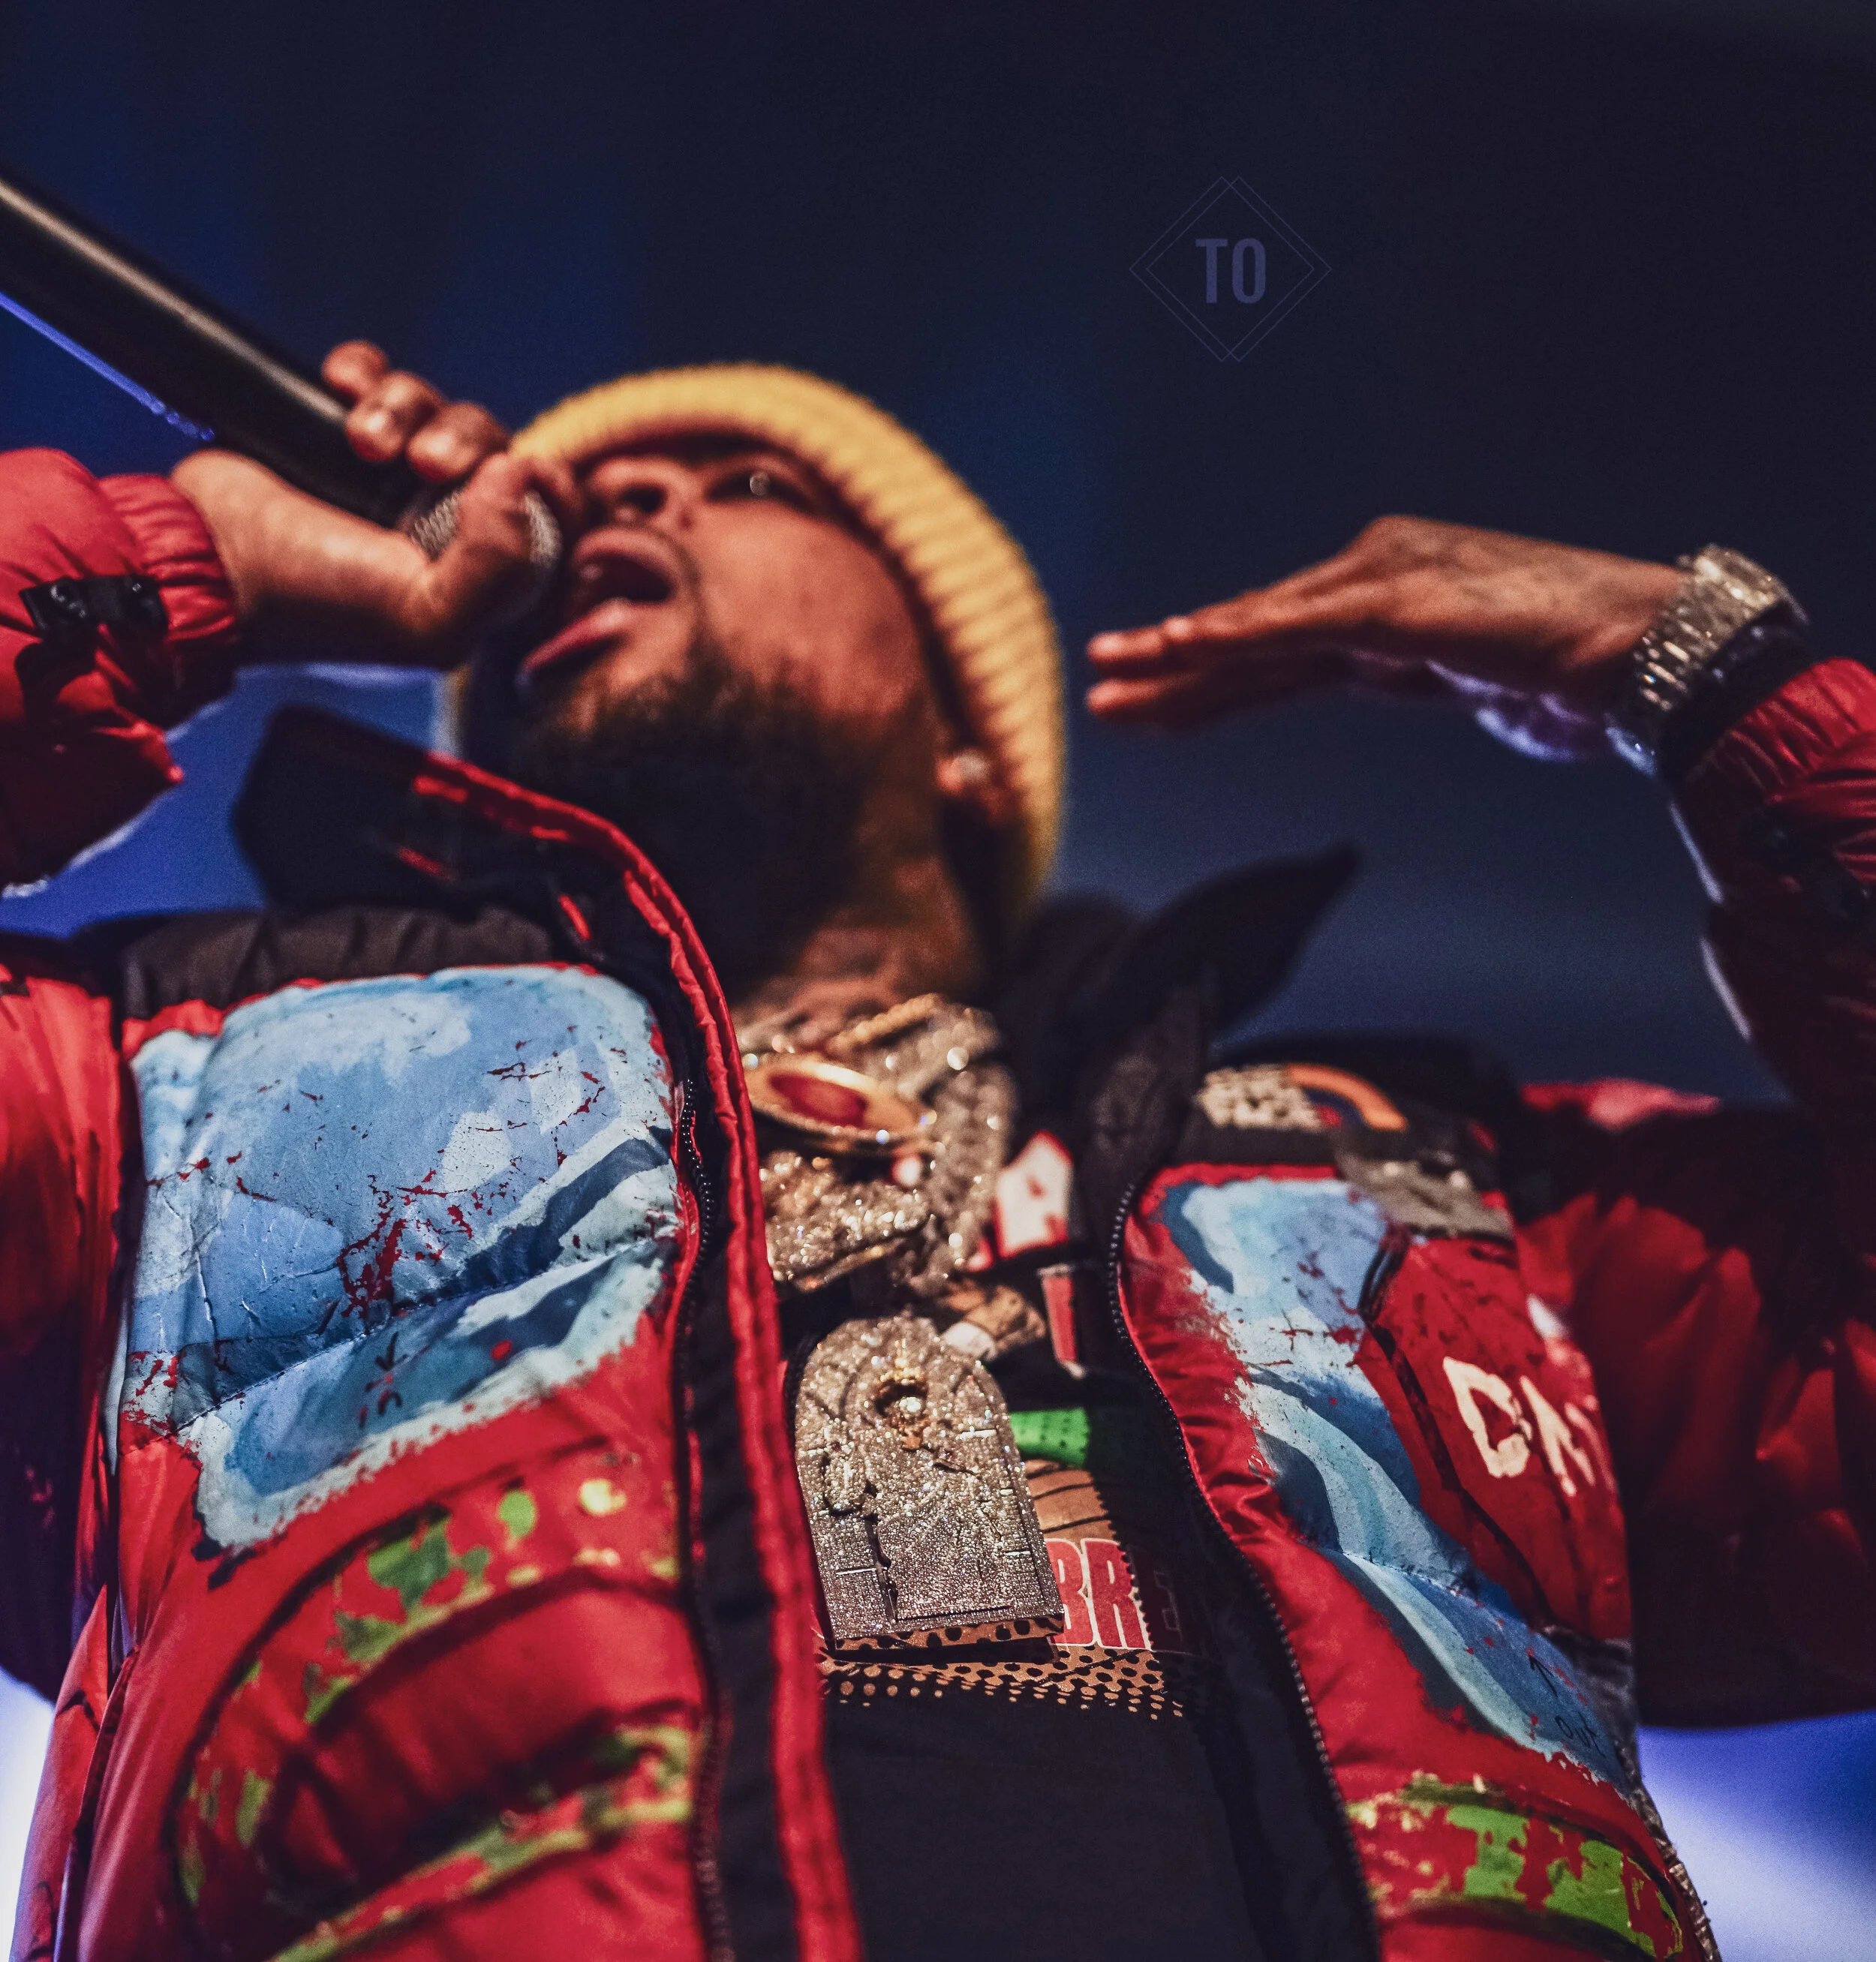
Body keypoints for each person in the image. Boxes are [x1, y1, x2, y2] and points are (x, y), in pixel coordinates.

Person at [0, 338, 1869, 1962]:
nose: (605, 505)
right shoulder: (178, 1077)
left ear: (973, 732)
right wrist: (177, 559)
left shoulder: (1427, 1182)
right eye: (574, 501)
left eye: (742, 486)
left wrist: (1717, 681)